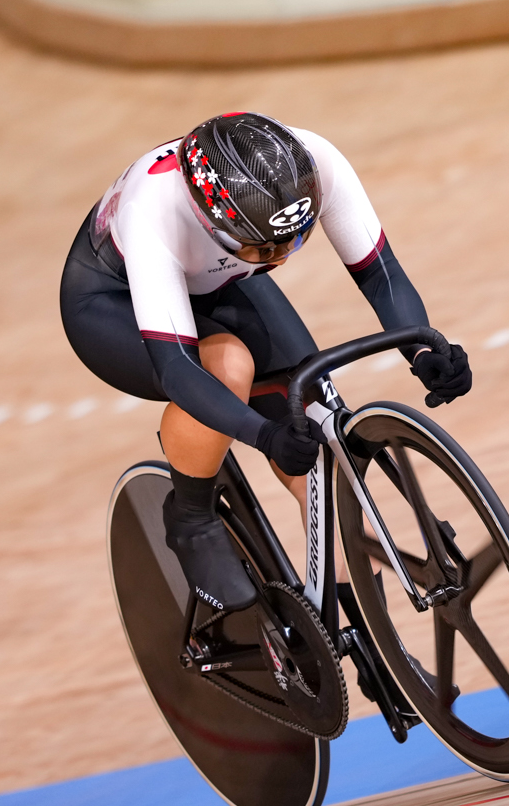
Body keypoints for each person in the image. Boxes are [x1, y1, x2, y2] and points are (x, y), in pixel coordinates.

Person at [60, 112, 471, 616]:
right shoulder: (155, 212)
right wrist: (264, 436)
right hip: (110, 302)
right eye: (262, 247)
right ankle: (191, 517)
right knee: (229, 366)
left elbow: (381, 274)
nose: (278, 259)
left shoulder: (311, 164)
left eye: (293, 242)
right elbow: (177, 369)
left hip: (217, 275)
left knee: (320, 450)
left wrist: (423, 349)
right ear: (216, 222)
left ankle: (378, 654)